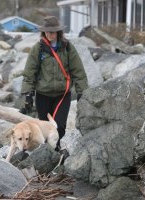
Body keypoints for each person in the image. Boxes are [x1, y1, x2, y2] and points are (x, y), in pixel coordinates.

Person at [20, 16, 88, 152]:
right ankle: (48, 155)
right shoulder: (38, 49)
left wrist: (82, 92)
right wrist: (28, 95)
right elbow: (29, 73)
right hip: (42, 96)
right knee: (45, 131)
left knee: (60, 127)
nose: (49, 34)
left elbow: (78, 71)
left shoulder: (67, 48)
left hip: (62, 96)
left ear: (58, 32)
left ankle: (55, 152)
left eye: (52, 32)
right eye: (46, 31)